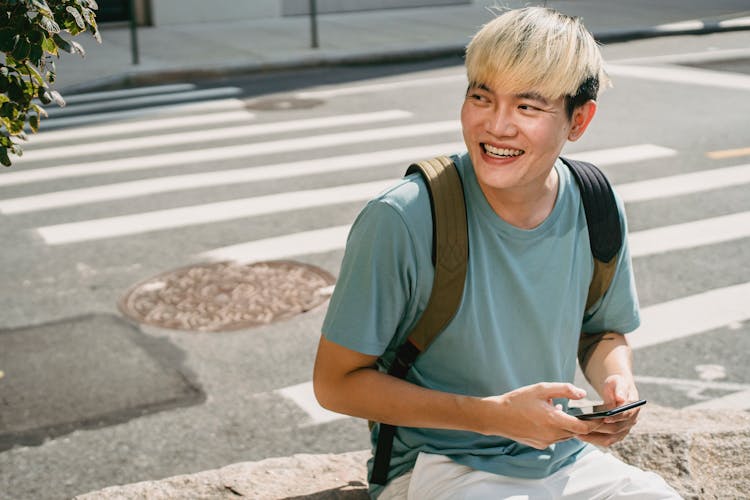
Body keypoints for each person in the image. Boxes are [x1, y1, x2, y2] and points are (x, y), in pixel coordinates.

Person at [313, 6, 681, 499]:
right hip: (436, 466)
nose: (497, 126)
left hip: (562, 455)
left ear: (579, 120)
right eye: (481, 98)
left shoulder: (595, 200)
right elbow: (335, 383)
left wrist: (617, 384)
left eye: (528, 108)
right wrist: (493, 418)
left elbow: (599, 331)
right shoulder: (402, 217)